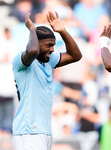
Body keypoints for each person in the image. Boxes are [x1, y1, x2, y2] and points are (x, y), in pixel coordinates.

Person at [12, 11, 82, 150]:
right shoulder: (21, 61)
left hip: (44, 130)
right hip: (29, 130)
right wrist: (32, 29)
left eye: (53, 45)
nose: (52, 49)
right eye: (48, 45)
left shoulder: (48, 61)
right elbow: (32, 51)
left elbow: (76, 55)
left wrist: (63, 31)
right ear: (36, 43)